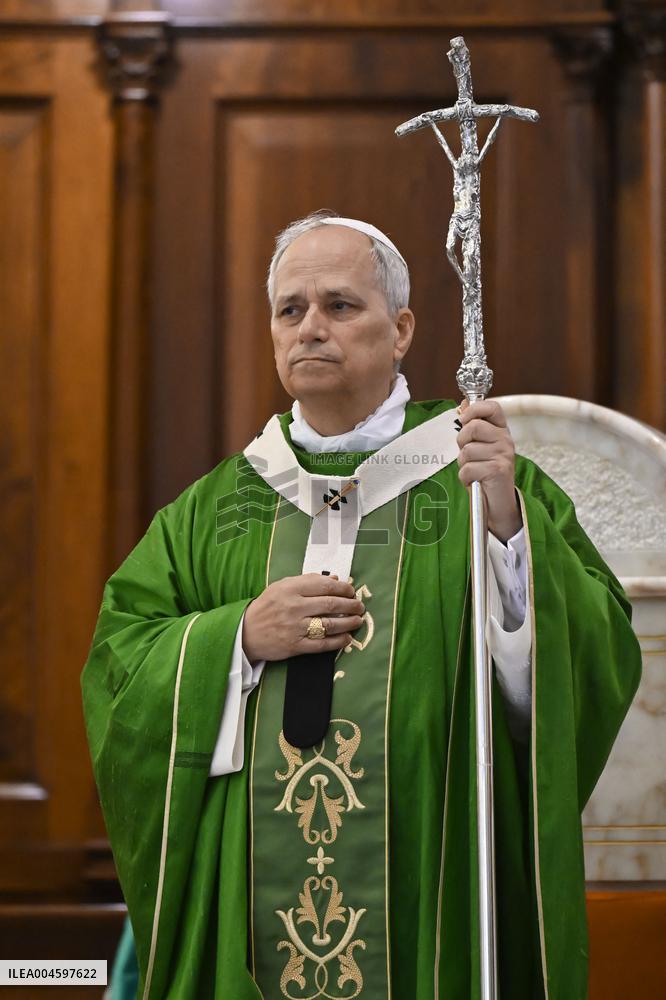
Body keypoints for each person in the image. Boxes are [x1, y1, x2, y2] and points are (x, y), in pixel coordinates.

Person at [82, 210, 641, 1000]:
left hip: (430, 886)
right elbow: (119, 664)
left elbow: (589, 662)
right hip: (253, 907)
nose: (312, 327)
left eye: (340, 305)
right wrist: (236, 637)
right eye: (291, 309)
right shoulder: (212, 512)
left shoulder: (481, 481)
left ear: (402, 328)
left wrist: (510, 533)